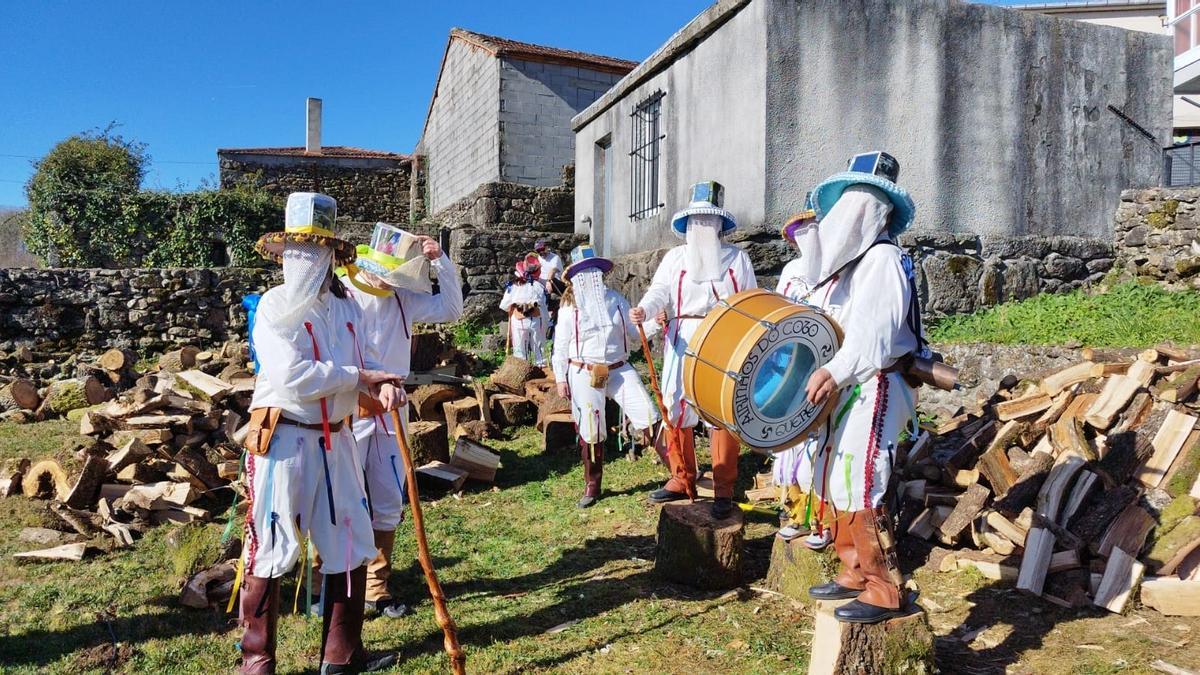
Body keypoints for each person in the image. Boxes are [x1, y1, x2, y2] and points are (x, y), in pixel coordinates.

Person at [238, 192, 403, 674]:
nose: (304, 262)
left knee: (349, 542)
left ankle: (342, 657)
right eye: (295, 252)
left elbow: (364, 363)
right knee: (271, 546)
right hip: (285, 441)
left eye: (314, 252)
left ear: (331, 255)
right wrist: (360, 378)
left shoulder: (349, 306)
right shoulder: (274, 307)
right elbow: (293, 375)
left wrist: (385, 386)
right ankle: (257, 663)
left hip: (340, 441)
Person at [797, 152, 923, 625]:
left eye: (866, 202)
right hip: (846, 383)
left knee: (860, 476)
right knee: (833, 473)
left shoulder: (885, 261)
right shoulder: (844, 269)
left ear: (882, 212)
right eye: (850, 201)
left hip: (877, 382)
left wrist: (837, 370)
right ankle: (853, 571)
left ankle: (883, 589)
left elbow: (875, 337)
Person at [339, 222, 463, 619]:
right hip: (351, 404)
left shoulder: (404, 298)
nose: (391, 282)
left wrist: (441, 262)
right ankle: (338, 586)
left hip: (394, 408)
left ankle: (377, 586)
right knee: (345, 494)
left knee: (389, 496)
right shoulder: (343, 293)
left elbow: (452, 309)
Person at [629, 181, 757, 519]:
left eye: (708, 220)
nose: (702, 227)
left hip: (723, 336)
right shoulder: (675, 258)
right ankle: (680, 476)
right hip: (682, 335)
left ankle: (723, 488)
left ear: (719, 225)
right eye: (696, 220)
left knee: (722, 409)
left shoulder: (737, 259)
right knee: (673, 404)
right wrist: (644, 309)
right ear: (687, 224)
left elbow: (750, 299)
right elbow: (659, 291)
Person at [551, 245, 659, 508]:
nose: (590, 277)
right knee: (591, 427)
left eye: (594, 271)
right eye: (583, 272)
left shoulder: (617, 300)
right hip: (583, 371)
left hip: (619, 369)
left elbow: (635, 334)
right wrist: (561, 378)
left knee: (648, 413)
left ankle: (680, 470)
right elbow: (561, 346)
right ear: (575, 278)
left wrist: (657, 322)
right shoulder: (569, 308)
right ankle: (593, 484)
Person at [770, 194, 834, 548]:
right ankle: (794, 512)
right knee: (789, 445)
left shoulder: (840, 269)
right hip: (790, 366)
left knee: (822, 443)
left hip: (827, 367)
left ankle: (823, 520)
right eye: (801, 231)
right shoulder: (791, 273)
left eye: (814, 228)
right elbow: (778, 311)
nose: (807, 235)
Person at [500, 257, 549, 366]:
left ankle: (522, 370)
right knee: (539, 348)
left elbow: (504, 305)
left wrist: (513, 306)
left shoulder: (512, 287)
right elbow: (544, 304)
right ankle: (541, 368)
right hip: (536, 320)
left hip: (518, 321)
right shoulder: (539, 286)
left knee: (520, 350)